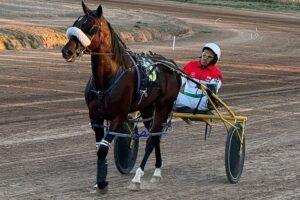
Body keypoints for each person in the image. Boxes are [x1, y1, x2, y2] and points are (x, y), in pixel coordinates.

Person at [175, 43, 224, 111]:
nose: (205, 58)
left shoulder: (217, 73)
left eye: (209, 57)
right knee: (170, 92)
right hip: (184, 100)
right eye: (204, 55)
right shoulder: (190, 65)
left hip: (202, 103)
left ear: (214, 59)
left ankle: (212, 104)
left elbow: (214, 88)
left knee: (212, 91)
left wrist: (205, 86)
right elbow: (179, 81)